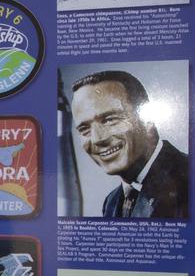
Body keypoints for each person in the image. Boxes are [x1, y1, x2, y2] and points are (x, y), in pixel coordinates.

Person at [70, 70, 188, 219]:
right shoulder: (112, 202)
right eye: (84, 129)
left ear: (147, 121)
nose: (97, 139)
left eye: (109, 120)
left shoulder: (193, 181)